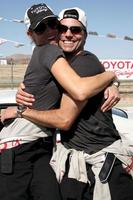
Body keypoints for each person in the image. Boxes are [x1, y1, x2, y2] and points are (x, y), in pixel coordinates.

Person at [13, 7, 133, 200]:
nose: (68, 34)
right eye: (62, 28)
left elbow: (64, 119)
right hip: (76, 163)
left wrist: (21, 111)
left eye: (76, 30)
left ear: (85, 35)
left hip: (101, 165)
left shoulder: (84, 63)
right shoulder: (62, 66)